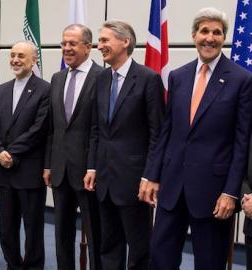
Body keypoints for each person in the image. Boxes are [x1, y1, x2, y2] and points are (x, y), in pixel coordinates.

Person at [139, 7, 252, 270]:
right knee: (160, 259)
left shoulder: (241, 80)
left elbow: (241, 142)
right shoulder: (178, 76)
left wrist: (230, 192)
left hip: (213, 194)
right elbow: (167, 131)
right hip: (172, 188)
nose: (209, 38)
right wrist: (153, 175)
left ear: (224, 38)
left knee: (209, 263)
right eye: (204, 31)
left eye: (217, 32)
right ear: (194, 36)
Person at [85, 21, 165, 269]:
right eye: (100, 41)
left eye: (105, 40)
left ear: (125, 42)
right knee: (109, 245)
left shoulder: (148, 79)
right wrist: (92, 168)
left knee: (139, 249)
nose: (100, 46)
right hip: (104, 180)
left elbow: (157, 133)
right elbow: (97, 129)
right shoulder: (100, 79)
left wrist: (150, 176)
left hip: (135, 182)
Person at [43, 24, 103, 270]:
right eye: (64, 43)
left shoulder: (103, 77)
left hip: (89, 174)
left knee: (97, 235)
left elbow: (101, 129)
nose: (66, 48)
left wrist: (93, 166)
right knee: (62, 235)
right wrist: (47, 164)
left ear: (88, 47)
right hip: (59, 171)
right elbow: (53, 128)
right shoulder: (57, 78)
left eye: (72, 44)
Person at [0, 41, 50, 269]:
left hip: (28, 170)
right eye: (12, 55)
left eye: (21, 56)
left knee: (33, 228)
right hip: (3, 170)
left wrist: (10, 153)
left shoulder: (45, 89)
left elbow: (38, 129)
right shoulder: (1, 89)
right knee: (6, 227)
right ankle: (12, 265)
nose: (15, 60)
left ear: (34, 60)